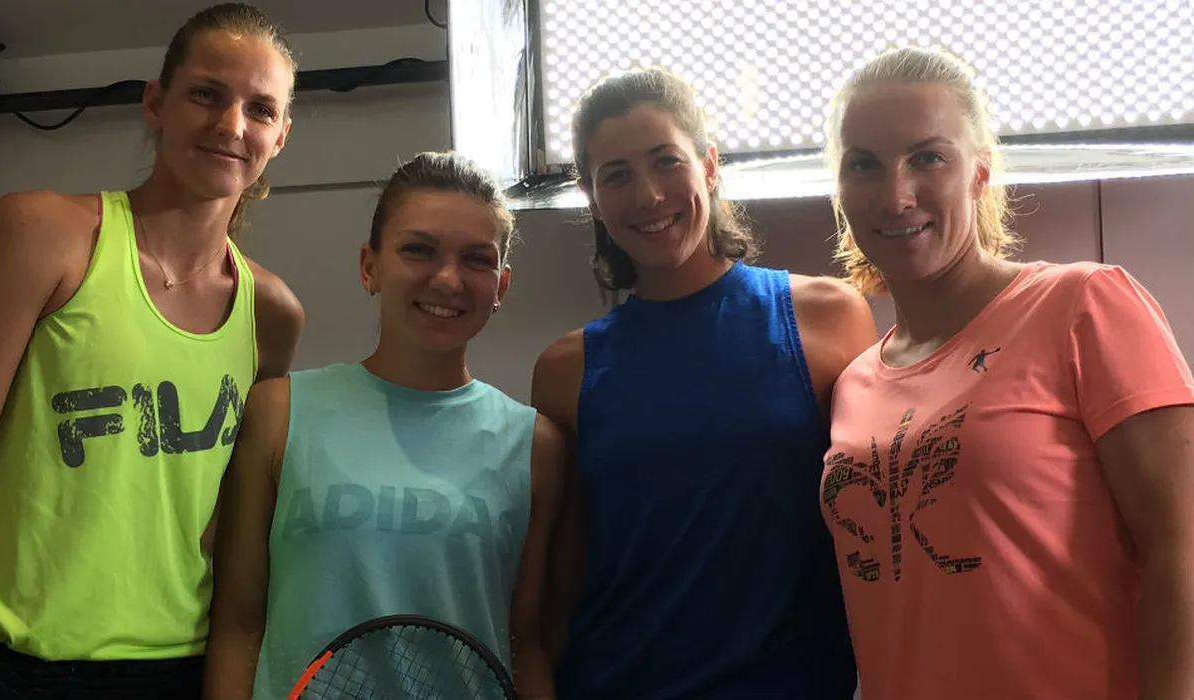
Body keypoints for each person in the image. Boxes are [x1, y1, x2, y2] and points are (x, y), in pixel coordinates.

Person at [0, 3, 305, 697]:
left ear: (280, 136)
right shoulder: (40, 233)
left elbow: (224, 522)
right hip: (5, 660)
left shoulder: (273, 313)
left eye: (260, 110)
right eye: (206, 94)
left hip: (176, 668)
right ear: (156, 103)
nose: (231, 125)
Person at [818, 45, 1194, 700]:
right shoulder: (853, 383)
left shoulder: (1082, 305)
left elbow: (1181, 544)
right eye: (864, 164)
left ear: (980, 173)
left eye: (927, 158)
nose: (896, 195)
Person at [532, 67, 878, 699]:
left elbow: (875, 528)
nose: (648, 195)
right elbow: (566, 577)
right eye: (617, 175)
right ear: (592, 199)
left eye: (666, 161)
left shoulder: (828, 318)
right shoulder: (565, 370)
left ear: (709, 166)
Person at [202, 151, 566, 700]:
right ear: (368, 266)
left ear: (501, 287)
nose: (448, 278)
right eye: (418, 249)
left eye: (476, 259)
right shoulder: (279, 412)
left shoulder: (536, 447)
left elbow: (526, 643)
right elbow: (238, 626)